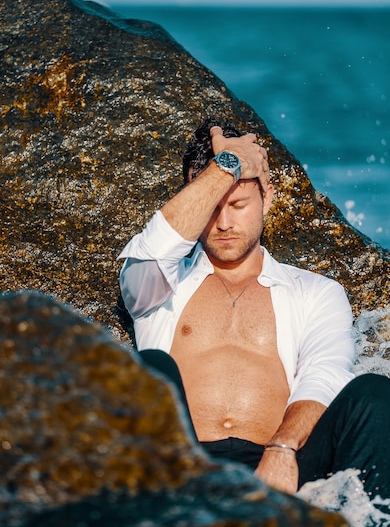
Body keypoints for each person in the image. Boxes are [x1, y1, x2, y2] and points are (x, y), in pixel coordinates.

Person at [118, 117, 390, 500]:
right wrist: (226, 168)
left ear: (268, 197)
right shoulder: (161, 287)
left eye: (239, 204)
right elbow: (143, 263)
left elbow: (326, 375)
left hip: (280, 470)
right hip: (179, 470)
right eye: (212, 205)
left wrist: (283, 449)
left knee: (374, 396)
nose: (224, 223)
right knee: (150, 369)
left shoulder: (315, 292)